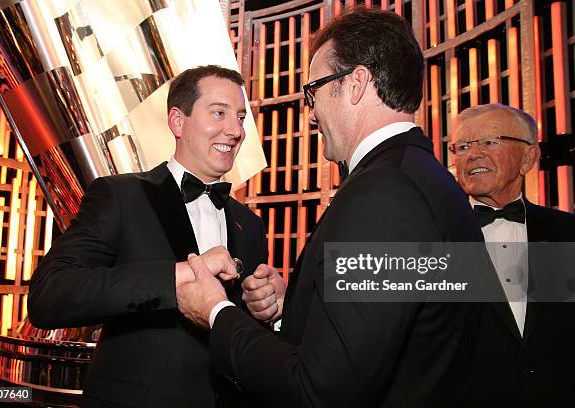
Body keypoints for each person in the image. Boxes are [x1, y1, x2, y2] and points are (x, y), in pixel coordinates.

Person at [175, 8, 491, 407]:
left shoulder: (384, 196)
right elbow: (386, 337)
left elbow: (318, 392)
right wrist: (297, 310)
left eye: (314, 91)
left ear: (356, 83)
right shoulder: (426, 180)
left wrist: (216, 311)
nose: (310, 114)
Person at [28, 65, 267, 407]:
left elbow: (239, 327)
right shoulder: (120, 196)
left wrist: (267, 308)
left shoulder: (250, 223)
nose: (235, 130)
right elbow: (48, 296)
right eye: (219, 113)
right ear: (177, 122)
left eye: (241, 117)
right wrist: (179, 274)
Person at [452, 103, 575, 407]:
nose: (473, 153)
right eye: (463, 146)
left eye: (489, 141)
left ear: (528, 158)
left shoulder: (567, 233)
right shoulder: (437, 238)